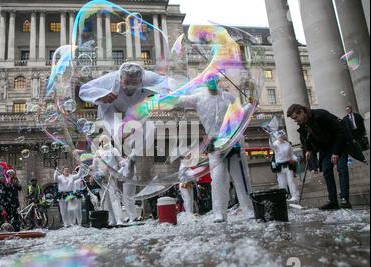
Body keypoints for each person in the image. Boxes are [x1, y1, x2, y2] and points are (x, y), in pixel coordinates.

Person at [79, 62, 172, 222]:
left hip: (135, 110)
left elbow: (169, 84)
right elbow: (84, 90)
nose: (129, 87)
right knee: (121, 131)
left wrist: (156, 93)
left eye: (134, 83)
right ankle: (120, 214)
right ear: (120, 78)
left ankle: (131, 160)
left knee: (149, 129)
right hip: (111, 110)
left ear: (141, 80)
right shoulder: (109, 79)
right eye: (126, 83)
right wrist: (100, 96)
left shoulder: (149, 77)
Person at [177, 76, 256, 222]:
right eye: (209, 79)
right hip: (215, 144)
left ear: (218, 80)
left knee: (241, 177)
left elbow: (239, 114)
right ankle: (219, 212)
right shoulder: (198, 98)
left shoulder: (229, 97)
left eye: (214, 79)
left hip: (232, 141)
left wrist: (250, 106)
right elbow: (181, 100)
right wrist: (169, 94)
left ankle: (249, 210)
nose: (211, 82)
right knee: (218, 179)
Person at [287, 104, 364, 210]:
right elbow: (308, 137)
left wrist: (336, 152)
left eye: (296, 117)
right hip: (325, 147)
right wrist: (308, 150)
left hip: (339, 143)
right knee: (327, 170)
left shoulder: (321, 115)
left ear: (302, 112)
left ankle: (344, 199)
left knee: (341, 168)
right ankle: (333, 201)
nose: (295, 121)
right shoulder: (304, 123)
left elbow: (339, 132)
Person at [90, 138, 125, 226]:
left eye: (105, 140)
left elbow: (120, 161)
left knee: (114, 198)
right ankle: (110, 219)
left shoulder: (113, 150)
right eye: (102, 141)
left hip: (112, 177)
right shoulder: (97, 153)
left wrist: (123, 165)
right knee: (105, 200)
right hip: (101, 179)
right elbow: (94, 166)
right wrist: (91, 169)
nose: (103, 142)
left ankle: (119, 219)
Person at [269, 131, 300, 203]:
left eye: (282, 136)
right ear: (277, 137)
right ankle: (284, 197)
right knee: (282, 183)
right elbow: (271, 145)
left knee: (291, 181)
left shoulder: (288, 144)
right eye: (279, 136)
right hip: (279, 166)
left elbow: (291, 154)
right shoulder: (275, 144)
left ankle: (294, 196)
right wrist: (270, 136)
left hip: (288, 165)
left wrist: (296, 158)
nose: (281, 137)